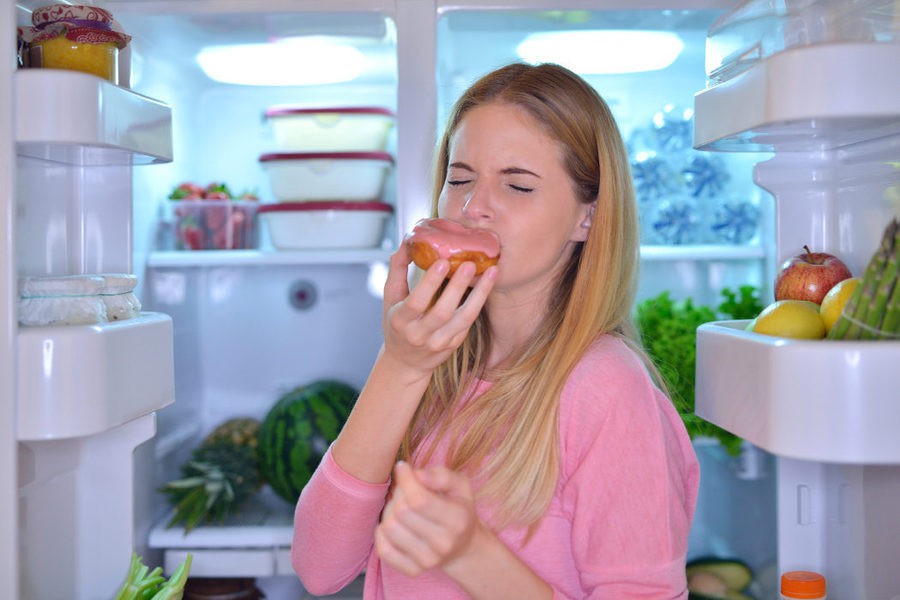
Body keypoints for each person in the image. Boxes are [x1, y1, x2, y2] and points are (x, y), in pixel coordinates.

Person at [291, 62, 700, 599]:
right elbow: (319, 568)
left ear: (588, 217)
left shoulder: (606, 387)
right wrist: (399, 365)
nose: (472, 208)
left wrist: (471, 555)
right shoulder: (436, 366)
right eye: (460, 179)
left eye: (517, 185)